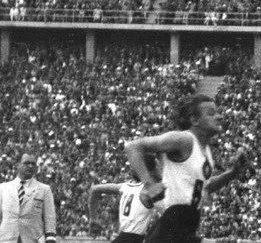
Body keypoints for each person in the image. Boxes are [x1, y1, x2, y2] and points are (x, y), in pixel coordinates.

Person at [124, 94, 250, 243]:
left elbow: (205, 187)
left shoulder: (206, 150)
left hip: (187, 223)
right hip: (173, 225)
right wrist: (149, 184)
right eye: (211, 113)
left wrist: (232, 173)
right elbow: (133, 146)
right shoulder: (184, 139)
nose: (219, 117)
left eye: (217, 112)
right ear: (194, 119)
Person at [88, 159, 160, 243]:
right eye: (158, 167)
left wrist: (93, 219)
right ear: (150, 171)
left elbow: (94, 190)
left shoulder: (125, 187)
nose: (160, 168)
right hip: (134, 239)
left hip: (122, 237)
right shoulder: (148, 190)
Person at [0, 153, 57, 243]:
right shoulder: (3, 188)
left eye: (33, 164)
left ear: (36, 168)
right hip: (7, 239)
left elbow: (50, 218)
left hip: (33, 239)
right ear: (17, 165)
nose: (30, 166)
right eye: (26, 163)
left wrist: (50, 239)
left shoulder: (44, 189)